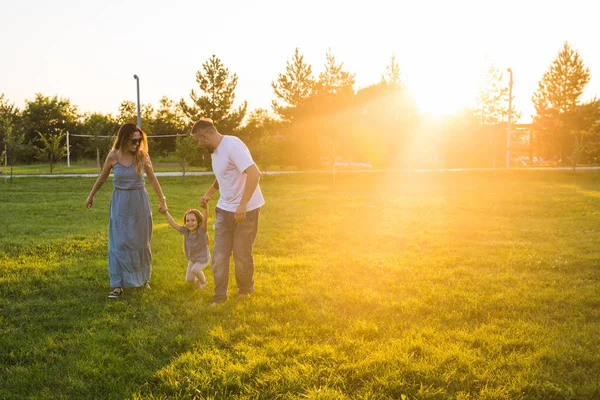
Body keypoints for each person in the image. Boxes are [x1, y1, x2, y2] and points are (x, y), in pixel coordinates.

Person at [86, 123, 167, 298]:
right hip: (120, 202)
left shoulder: (142, 156)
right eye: (133, 140)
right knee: (119, 243)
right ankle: (118, 284)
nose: (136, 144)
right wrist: (91, 195)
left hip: (139, 201)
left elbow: (153, 179)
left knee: (140, 241)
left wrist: (162, 200)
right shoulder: (113, 156)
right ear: (123, 139)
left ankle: (143, 279)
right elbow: (103, 177)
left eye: (139, 140)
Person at [190, 118, 264, 306]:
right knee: (220, 256)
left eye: (198, 140)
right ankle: (220, 296)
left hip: (245, 210)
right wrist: (209, 194)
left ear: (205, 135)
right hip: (224, 209)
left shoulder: (233, 145)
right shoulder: (215, 151)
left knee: (241, 255)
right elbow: (223, 176)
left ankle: (245, 290)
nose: (198, 144)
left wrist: (243, 204)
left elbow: (255, 173)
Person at [163, 206, 211, 289]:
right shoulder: (185, 231)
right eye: (187, 221)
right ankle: (198, 279)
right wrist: (165, 212)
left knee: (195, 270)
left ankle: (204, 282)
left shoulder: (201, 230)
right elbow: (173, 223)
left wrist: (205, 208)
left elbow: (205, 219)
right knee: (189, 280)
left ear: (199, 221)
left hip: (203, 258)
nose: (190, 223)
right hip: (193, 259)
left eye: (193, 220)